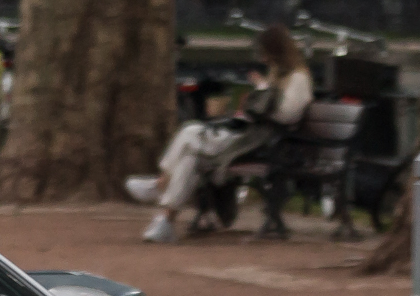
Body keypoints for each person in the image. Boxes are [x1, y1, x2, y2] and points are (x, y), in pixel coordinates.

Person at [128, 23, 313, 243]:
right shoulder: (278, 74)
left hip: (264, 144)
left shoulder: (298, 79)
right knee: (191, 155)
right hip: (253, 136)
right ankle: (164, 221)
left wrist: (262, 89)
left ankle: (160, 186)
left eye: (266, 55)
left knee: (191, 132)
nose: (263, 60)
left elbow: (286, 115)